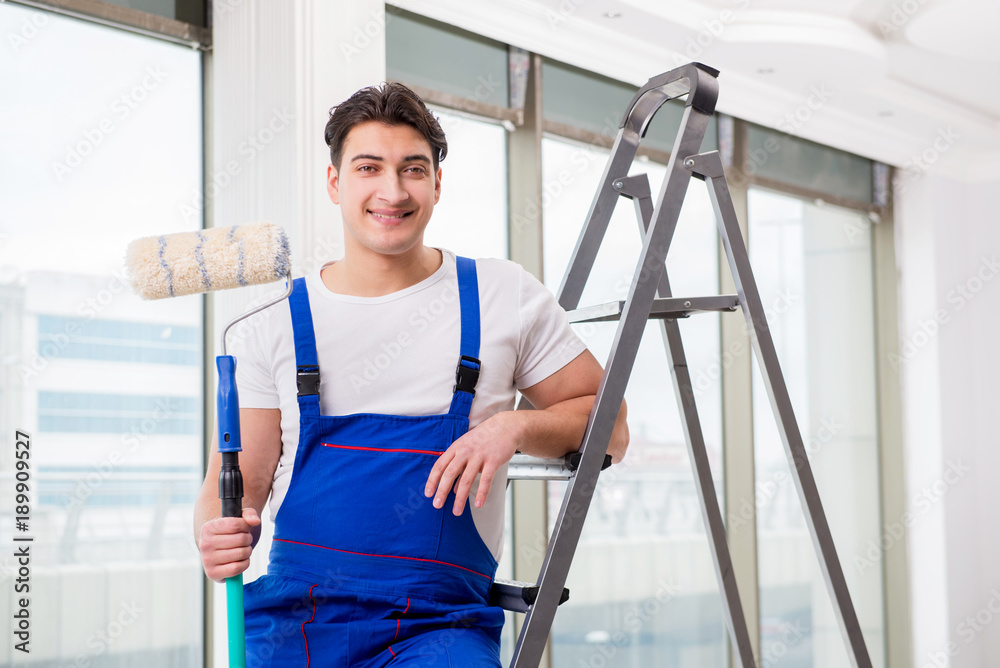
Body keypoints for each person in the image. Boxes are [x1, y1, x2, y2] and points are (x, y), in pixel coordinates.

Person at [194, 81, 629, 667]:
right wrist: (215, 534)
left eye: (413, 169)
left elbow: (613, 426)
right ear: (335, 182)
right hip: (298, 624)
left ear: (437, 184)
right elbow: (236, 485)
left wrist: (514, 428)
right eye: (369, 167)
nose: (392, 191)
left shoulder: (500, 295)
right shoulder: (270, 320)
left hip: (440, 629)